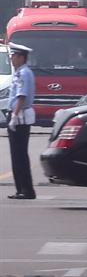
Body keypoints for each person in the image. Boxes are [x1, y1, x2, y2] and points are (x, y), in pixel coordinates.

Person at [6, 42, 37, 200]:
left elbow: (21, 96)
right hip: (18, 116)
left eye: (14, 56)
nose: (12, 58)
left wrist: (15, 116)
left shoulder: (24, 73)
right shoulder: (20, 72)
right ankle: (21, 189)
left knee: (19, 156)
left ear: (21, 57)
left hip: (21, 117)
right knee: (17, 155)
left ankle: (26, 190)